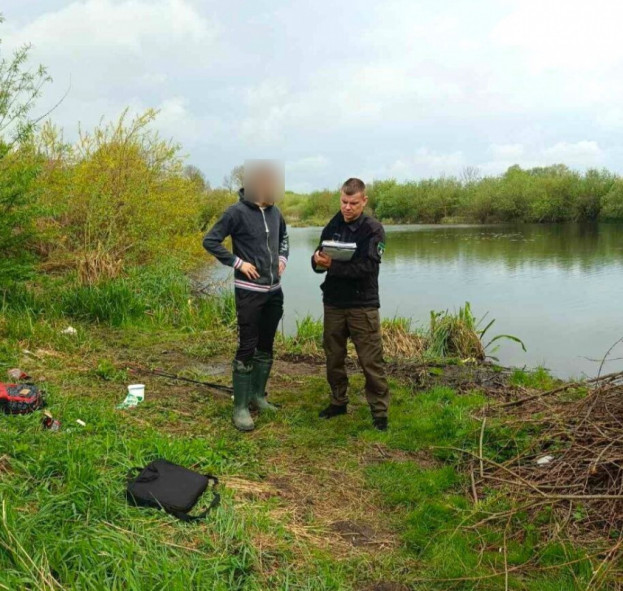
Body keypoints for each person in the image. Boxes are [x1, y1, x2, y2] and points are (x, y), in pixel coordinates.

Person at [203, 161, 288, 431]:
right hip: (249, 293)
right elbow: (210, 241)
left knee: (266, 345)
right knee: (247, 346)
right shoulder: (235, 213)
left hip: (274, 291)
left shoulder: (276, 213)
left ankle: (257, 396)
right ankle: (240, 408)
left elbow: (284, 238)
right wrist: (238, 263)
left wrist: (282, 258)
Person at [311, 178, 390, 431]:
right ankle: (338, 401)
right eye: (344, 201)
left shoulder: (373, 230)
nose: (347, 207)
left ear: (364, 201)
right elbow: (318, 261)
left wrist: (333, 265)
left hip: (362, 305)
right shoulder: (333, 224)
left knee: (370, 361)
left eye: (353, 203)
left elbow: (367, 268)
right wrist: (316, 261)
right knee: (333, 356)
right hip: (333, 303)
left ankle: (379, 413)